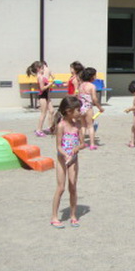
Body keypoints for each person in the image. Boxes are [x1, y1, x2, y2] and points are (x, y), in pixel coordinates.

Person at [50, 95, 84, 228]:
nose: (80, 112)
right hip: (62, 160)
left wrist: (76, 149)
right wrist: (65, 155)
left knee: (73, 187)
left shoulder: (78, 126)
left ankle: (73, 216)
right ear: (69, 111)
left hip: (73, 160)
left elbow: (83, 144)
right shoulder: (61, 126)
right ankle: (54, 217)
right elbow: (58, 146)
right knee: (61, 188)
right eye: (78, 110)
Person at [78, 67, 104, 150]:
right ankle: (92, 144)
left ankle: (82, 143)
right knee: (90, 126)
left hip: (81, 108)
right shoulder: (92, 86)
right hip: (88, 108)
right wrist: (100, 107)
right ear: (92, 76)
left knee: (82, 126)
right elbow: (94, 99)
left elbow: (79, 96)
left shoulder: (81, 85)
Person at [28, 60, 54, 137]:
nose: (44, 70)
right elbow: (42, 88)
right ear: (38, 69)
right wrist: (49, 84)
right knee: (43, 113)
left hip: (46, 95)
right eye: (42, 68)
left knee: (51, 110)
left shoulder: (41, 76)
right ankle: (39, 130)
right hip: (42, 96)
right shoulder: (40, 77)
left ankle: (49, 127)